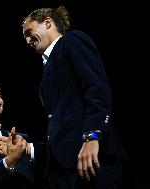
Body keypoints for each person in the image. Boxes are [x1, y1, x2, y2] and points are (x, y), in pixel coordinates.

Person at [21, 6, 127, 189]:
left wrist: (92, 136)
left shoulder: (72, 41)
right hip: (62, 168)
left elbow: (97, 90)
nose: (28, 40)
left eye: (29, 32)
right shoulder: (46, 73)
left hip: (91, 158)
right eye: (25, 38)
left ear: (47, 22)